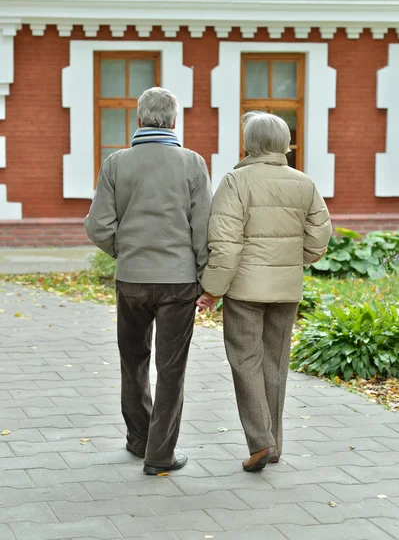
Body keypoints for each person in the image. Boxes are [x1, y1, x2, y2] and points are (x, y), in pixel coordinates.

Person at [85, 87, 213, 475]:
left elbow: (97, 226)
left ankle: (138, 439)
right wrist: (207, 279)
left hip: (132, 280)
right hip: (178, 282)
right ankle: (160, 455)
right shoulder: (192, 163)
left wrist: (123, 251)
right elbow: (203, 230)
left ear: (139, 119)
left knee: (133, 360)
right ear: (174, 121)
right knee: (171, 368)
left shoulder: (116, 163)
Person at [197, 111, 331, 472]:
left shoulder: (235, 181)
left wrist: (212, 290)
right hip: (286, 290)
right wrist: (294, 257)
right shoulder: (304, 183)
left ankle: (261, 442)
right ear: (284, 142)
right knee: (275, 363)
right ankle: (274, 444)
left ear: (249, 143)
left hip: (244, 289)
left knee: (245, 360)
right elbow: (321, 234)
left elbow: (224, 244)